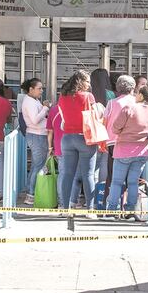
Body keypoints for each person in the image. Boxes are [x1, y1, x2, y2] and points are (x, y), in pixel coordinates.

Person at [108, 84, 148, 220]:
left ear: (141, 95)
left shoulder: (129, 108)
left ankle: (112, 211)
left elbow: (115, 128)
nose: (135, 96)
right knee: (133, 182)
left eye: (136, 94)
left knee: (117, 182)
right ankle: (130, 211)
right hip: (142, 152)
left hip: (124, 150)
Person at [58, 70, 100, 219]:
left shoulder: (62, 97)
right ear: (81, 82)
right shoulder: (88, 97)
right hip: (85, 138)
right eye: (87, 81)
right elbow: (96, 116)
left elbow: (63, 121)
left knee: (67, 174)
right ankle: (90, 210)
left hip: (67, 138)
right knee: (88, 174)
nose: (89, 85)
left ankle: (64, 208)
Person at [103, 75, 137, 203]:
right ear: (133, 88)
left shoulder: (111, 103)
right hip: (132, 143)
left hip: (113, 143)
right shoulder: (136, 103)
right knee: (132, 179)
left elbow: (105, 122)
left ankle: (110, 207)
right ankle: (129, 207)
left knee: (112, 176)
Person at [20, 78, 50, 205]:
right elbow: (34, 120)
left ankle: (31, 192)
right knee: (38, 166)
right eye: (39, 88)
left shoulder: (33, 100)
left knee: (35, 165)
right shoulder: (29, 102)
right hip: (36, 135)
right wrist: (45, 108)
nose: (41, 91)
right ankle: (30, 194)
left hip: (38, 135)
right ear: (31, 89)